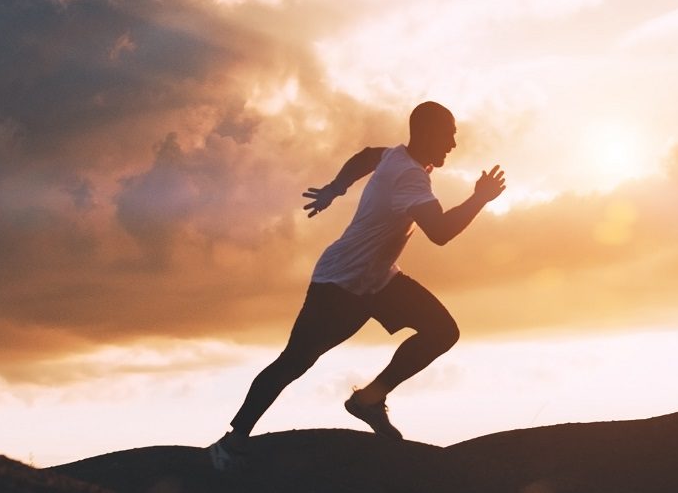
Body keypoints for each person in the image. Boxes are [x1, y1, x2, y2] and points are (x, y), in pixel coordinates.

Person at [208, 100, 506, 471]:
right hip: (340, 283)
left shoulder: (396, 157)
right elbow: (441, 233)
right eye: (449, 136)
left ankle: (368, 400)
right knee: (296, 361)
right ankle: (231, 441)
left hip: (379, 280)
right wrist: (480, 198)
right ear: (427, 133)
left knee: (442, 331)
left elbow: (367, 156)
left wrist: (336, 187)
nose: (453, 145)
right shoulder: (409, 175)